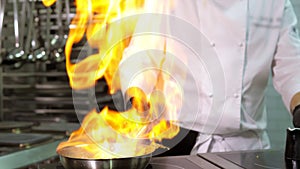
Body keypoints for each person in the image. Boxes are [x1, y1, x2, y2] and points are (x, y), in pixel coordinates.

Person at [117, 0, 300, 155]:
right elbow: (143, 53)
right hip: (178, 141)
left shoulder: (274, 3)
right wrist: (138, 96)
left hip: (246, 148)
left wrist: (299, 108)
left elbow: (292, 66)